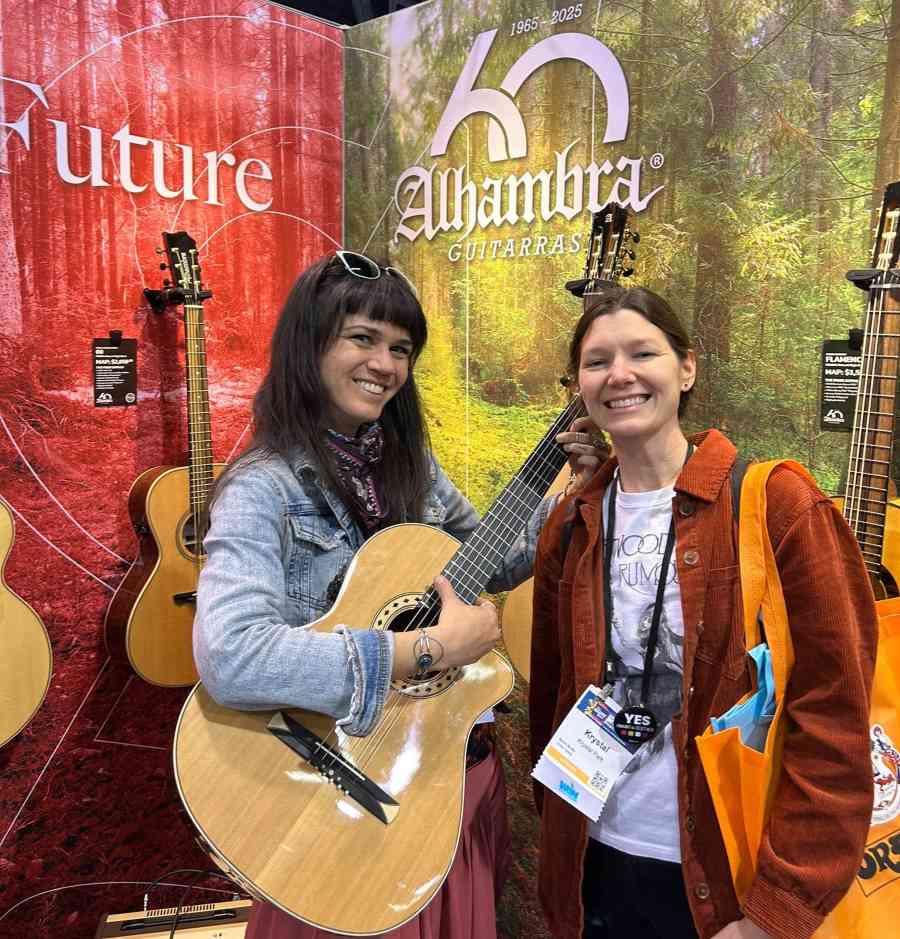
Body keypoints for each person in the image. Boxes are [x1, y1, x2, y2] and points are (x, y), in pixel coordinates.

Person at [193, 250, 603, 939]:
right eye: (363, 338)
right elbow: (231, 655)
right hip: (338, 791)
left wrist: (574, 491)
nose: (384, 363)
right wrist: (430, 646)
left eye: (401, 348)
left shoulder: (406, 462)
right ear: (310, 342)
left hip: (444, 771)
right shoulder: (263, 486)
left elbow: (489, 555)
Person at [528, 285, 878, 939]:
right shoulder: (571, 525)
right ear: (579, 383)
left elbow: (834, 719)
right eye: (598, 360)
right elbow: (552, 695)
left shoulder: (779, 505)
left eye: (642, 352)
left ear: (686, 368)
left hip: (719, 885)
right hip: (592, 865)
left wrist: (776, 910)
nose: (620, 374)